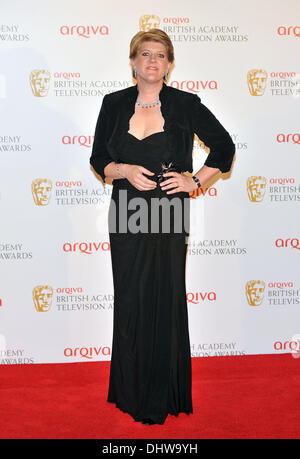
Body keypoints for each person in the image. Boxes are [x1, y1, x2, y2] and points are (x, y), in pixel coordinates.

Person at [90, 29, 235, 426]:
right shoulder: (114, 103)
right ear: (133, 62)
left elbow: (224, 147)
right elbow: (98, 156)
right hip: (126, 212)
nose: (152, 61)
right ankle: (130, 390)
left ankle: (162, 392)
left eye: (160, 55)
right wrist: (119, 170)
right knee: (131, 297)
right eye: (144, 54)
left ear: (169, 64)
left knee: (165, 295)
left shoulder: (186, 105)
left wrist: (197, 180)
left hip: (168, 214)